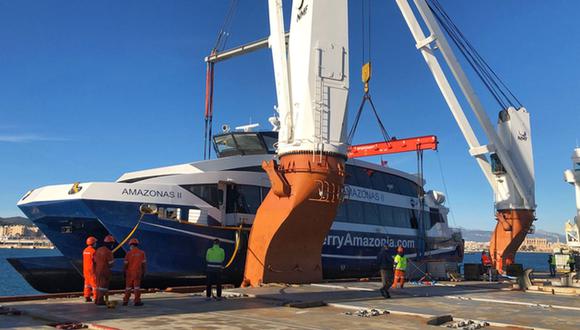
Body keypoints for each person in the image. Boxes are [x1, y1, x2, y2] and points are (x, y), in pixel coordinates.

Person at [123, 238, 146, 306]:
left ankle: (125, 301)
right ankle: (137, 301)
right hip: (137, 272)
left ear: (131, 245)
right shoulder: (142, 253)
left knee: (128, 287)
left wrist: (124, 272)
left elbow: (125, 264)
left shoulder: (128, 253)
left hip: (129, 273)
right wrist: (143, 272)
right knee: (137, 287)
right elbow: (144, 264)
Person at [94, 235, 115, 305]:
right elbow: (111, 264)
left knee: (98, 285)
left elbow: (94, 260)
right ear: (110, 243)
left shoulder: (98, 250)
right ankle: (100, 300)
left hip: (97, 270)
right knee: (103, 286)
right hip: (105, 271)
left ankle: (97, 299)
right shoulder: (109, 252)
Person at [82, 236, 98, 302]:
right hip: (92, 270)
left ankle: (87, 296)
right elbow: (96, 261)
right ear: (93, 243)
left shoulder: (85, 250)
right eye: (95, 242)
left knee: (87, 284)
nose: (96, 243)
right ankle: (96, 298)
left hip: (85, 270)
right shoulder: (93, 251)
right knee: (95, 285)